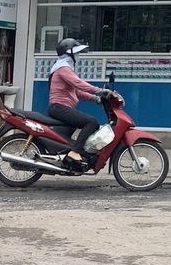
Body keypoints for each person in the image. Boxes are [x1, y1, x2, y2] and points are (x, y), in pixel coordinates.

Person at [47, 38, 120, 169]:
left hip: (61, 108)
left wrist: (96, 99)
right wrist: (100, 91)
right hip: (59, 108)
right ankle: (75, 152)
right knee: (92, 122)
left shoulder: (64, 67)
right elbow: (79, 84)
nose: (78, 56)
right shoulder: (63, 68)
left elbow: (77, 92)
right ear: (69, 54)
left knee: (70, 133)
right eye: (76, 53)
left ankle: (68, 156)